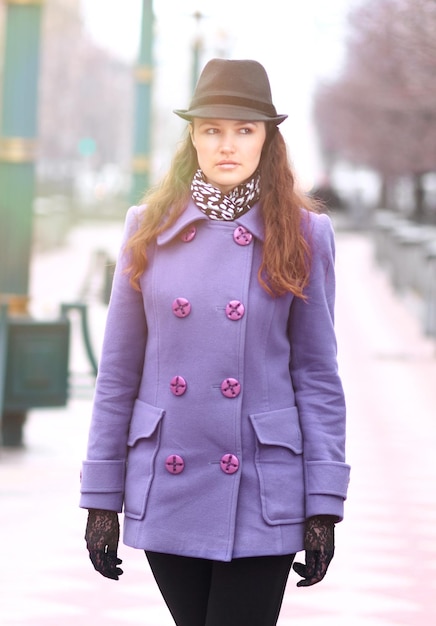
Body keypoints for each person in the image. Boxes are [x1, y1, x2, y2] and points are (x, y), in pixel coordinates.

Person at [80, 58, 350, 626]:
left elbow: (318, 375)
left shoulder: (304, 234)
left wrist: (325, 501)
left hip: (261, 482)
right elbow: (118, 373)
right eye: (212, 129)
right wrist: (101, 497)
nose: (227, 145)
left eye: (244, 130)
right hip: (170, 479)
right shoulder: (147, 227)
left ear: (266, 140)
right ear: (194, 138)